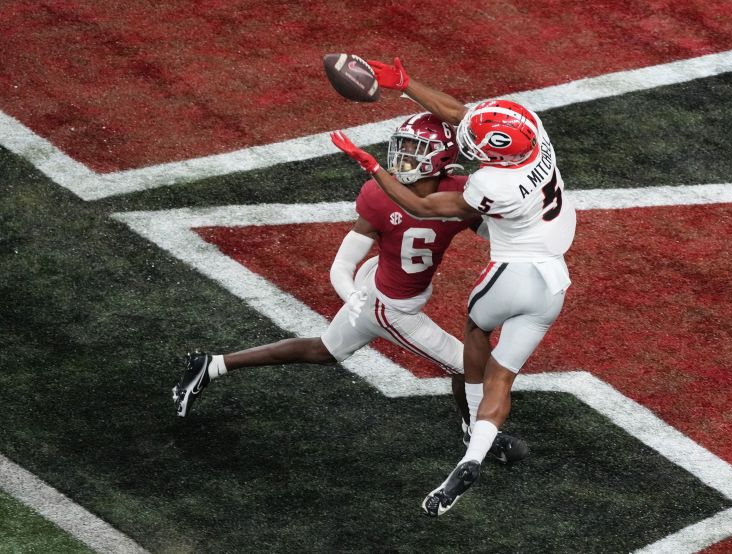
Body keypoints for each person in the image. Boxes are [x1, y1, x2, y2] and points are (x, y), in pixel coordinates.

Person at [172, 112, 529, 465]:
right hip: (388, 305)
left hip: (383, 293)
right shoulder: (380, 195)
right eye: (402, 147)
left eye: (415, 149)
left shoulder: (460, 193)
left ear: (441, 158)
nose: (403, 157)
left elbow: (487, 229)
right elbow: (343, 264)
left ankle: (211, 365)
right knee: (465, 364)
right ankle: (476, 432)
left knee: (324, 350)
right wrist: (355, 298)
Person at [331, 57, 576, 516]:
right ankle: (473, 454)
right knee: (504, 377)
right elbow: (464, 117)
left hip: (512, 272)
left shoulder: (490, 184)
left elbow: (423, 206)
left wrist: (373, 169)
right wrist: (404, 84)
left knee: (475, 338)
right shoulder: (535, 138)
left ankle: (470, 417)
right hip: (553, 285)